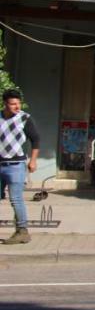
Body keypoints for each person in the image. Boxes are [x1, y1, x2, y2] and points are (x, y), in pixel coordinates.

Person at [0, 89, 40, 245]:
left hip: (16, 164)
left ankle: (22, 232)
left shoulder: (25, 118)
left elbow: (35, 140)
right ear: (5, 104)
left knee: (16, 199)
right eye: (13, 103)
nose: (17, 106)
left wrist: (33, 161)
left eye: (18, 103)